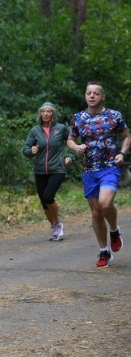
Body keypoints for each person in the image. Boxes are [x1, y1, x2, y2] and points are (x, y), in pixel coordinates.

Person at [67, 82, 131, 268]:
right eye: (89, 93)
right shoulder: (78, 118)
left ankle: (114, 230)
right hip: (89, 170)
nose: (92, 96)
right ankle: (104, 251)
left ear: (102, 97)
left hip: (110, 166)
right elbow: (71, 139)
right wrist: (76, 147)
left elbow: (127, 136)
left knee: (105, 204)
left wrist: (122, 153)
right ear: (85, 96)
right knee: (96, 211)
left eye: (96, 93)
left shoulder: (114, 116)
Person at [22, 102, 73, 241]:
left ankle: (58, 224)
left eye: (49, 111)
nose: (45, 114)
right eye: (43, 111)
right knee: (44, 201)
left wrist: (70, 156)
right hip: (40, 171)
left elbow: (72, 141)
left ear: (53, 114)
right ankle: (55, 227)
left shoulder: (61, 128)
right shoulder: (35, 131)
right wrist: (30, 151)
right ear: (40, 114)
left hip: (57, 168)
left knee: (48, 196)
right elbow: (25, 149)